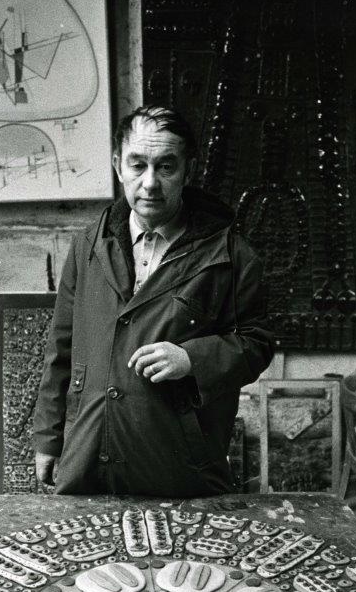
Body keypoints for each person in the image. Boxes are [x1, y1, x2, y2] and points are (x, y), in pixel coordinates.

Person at [33, 104, 274, 496]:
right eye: (137, 165)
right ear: (117, 165)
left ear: (188, 171)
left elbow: (258, 343)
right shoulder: (88, 246)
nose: (150, 183)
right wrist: (47, 438)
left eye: (166, 166)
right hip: (88, 455)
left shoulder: (231, 255)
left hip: (178, 463)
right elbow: (59, 349)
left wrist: (192, 359)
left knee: (181, 557)